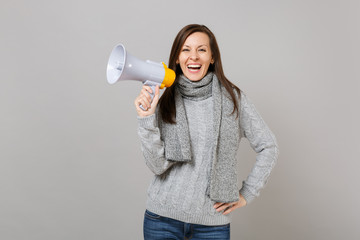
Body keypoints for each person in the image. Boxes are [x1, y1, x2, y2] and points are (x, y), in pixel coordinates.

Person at [134, 24, 279, 240]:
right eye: (186, 50)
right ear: (176, 58)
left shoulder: (234, 100)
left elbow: (269, 146)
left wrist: (246, 194)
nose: (194, 57)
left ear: (212, 57)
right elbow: (157, 165)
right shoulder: (164, 100)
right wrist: (146, 118)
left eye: (201, 50)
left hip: (211, 226)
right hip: (161, 221)